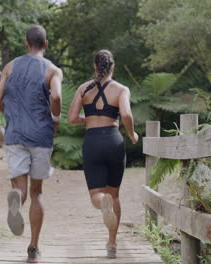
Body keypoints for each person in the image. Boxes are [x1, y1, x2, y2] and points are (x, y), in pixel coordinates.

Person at [0, 25, 63, 263]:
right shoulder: (52, 70)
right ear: (46, 44)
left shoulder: (10, 67)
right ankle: (33, 249)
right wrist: (55, 118)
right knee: (37, 192)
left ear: (25, 44)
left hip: (15, 136)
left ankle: (15, 198)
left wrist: (10, 115)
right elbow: (57, 97)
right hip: (41, 137)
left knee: (21, 189)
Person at [67, 50, 138, 259]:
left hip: (93, 142)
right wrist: (132, 133)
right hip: (113, 141)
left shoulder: (83, 89)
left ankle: (102, 204)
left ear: (95, 67)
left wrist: (89, 119)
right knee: (114, 194)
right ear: (112, 67)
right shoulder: (121, 90)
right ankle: (112, 243)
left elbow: (71, 118)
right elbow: (125, 113)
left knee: (96, 194)